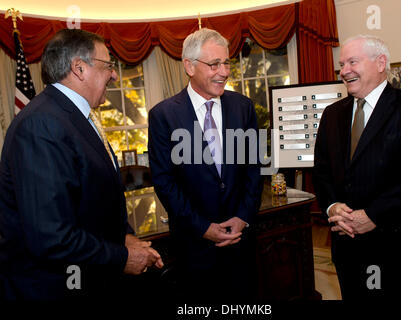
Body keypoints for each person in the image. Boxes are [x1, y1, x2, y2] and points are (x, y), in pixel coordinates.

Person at [0, 29, 163, 300]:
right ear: (79, 68)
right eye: (108, 65)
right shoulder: (41, 124)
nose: (113, 74)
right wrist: (121, 256)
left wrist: (121, 237)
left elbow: (88, 204)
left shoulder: (73, 116)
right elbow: (50, 237)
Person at [313, 35, 401, 300]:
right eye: (342, 64)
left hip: (400, 248)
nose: (345, 71)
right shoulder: (332, 114)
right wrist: (332, 207)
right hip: (347, 247)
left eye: (353, 61)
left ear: (381, 63)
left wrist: (374, 214)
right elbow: (322, 172)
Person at [148, 28, 262, 302]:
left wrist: (243, 216)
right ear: (189, 66)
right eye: (214, 64)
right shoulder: (164, 115)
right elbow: (165, 182)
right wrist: (203, 227)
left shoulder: (243, 107)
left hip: (240, 243)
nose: (224, 72)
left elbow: (253, 169)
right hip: (193, 247)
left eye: (226, 63)